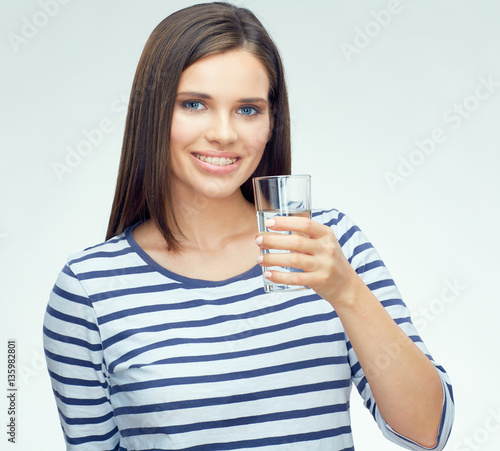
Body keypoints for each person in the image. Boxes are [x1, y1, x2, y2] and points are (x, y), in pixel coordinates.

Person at [43, 2, 454, 450]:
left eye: (248, 109)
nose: (224, 133)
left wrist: (347, 292)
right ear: (154, 112)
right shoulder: (89, 287)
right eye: (194, 104)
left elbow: (428, 431)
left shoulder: (330, 248)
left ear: (272, 122)